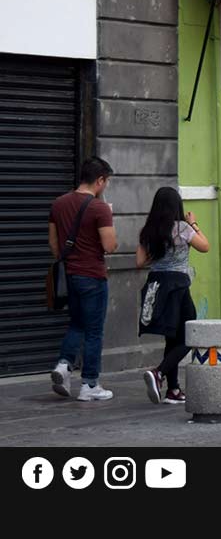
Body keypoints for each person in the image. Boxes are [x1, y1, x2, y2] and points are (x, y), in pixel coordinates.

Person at [48, 157, 118, 401]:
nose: (105, 186)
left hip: (70, 275)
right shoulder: (99, 208)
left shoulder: (58, 204)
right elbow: (110, 246)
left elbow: (55, 247)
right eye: (106, 181)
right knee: (94, 332)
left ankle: (64, 366)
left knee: (76, 324)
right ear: (99, 180)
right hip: (93, 276)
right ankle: (89, 384)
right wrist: (110, 217)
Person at [136, 187, 210, 405]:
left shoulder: (148, 231)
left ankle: (173, 389)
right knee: (190, 333)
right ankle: (159, 373)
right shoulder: (183, 228)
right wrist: (194, 223)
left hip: (157, 285)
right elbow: (205, 246)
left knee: (173, 336)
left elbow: (139, 262)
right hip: (178, 285)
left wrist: (160, 257)